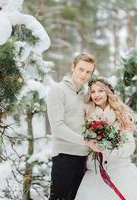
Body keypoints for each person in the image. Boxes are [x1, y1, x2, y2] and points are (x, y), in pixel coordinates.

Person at [75, 77, 137, 200]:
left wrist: (109, 149)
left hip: (119, 170)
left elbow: (130, 146)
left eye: (100, 90)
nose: (96, 95)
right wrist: (89, 143)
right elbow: (80, 141)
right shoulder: (86, 115)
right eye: (93, 92)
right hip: (94, 172)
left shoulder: (122, 115)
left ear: (108, 92)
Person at [47, 52, 101, 200]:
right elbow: (57, 127)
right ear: (73, 67)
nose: (84, 75)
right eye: (81, 69)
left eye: (88, 72)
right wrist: (85, 141)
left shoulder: (86, 96)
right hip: (64, 156)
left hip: (83, 158)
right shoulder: (58, 90)